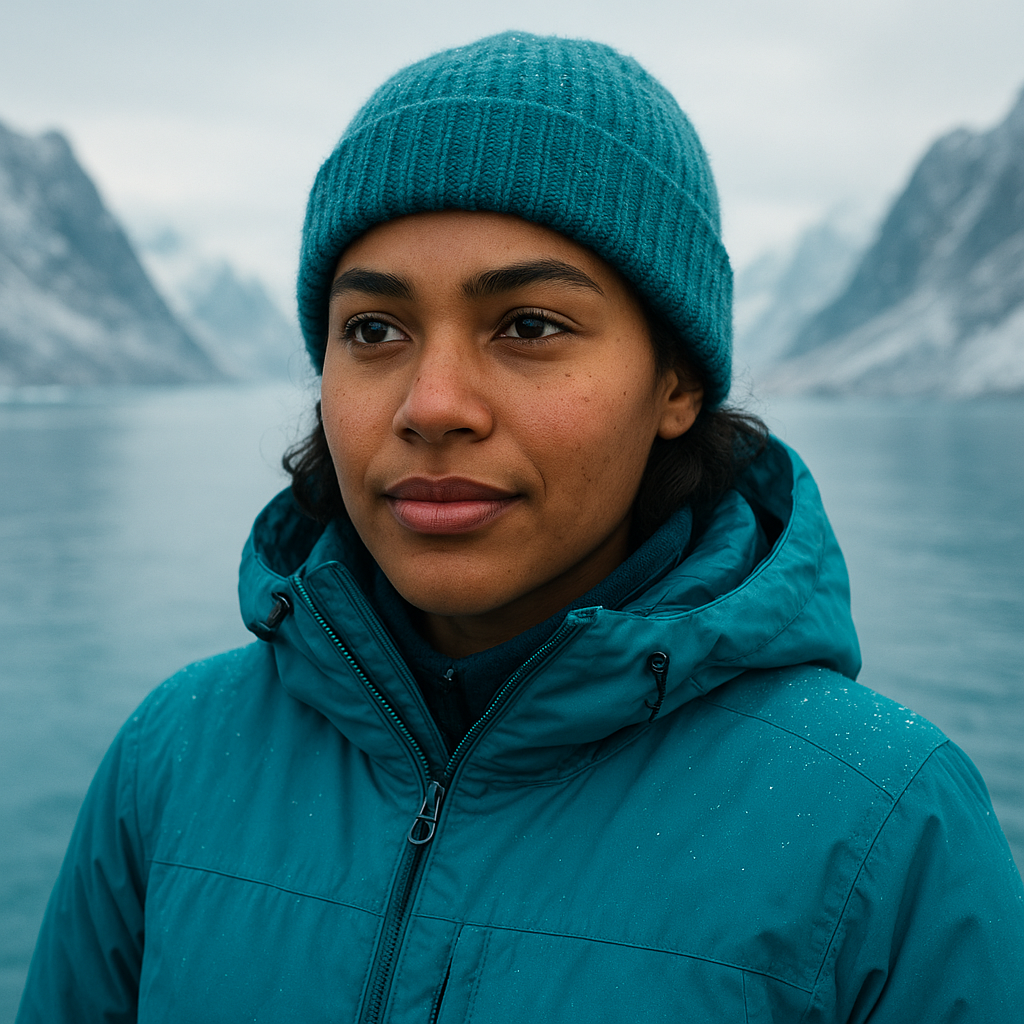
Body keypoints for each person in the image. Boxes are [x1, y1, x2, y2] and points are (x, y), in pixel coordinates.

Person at [18, 31, 1024, 1023]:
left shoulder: (885, 824)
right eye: (373, 330)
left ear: (674, 381)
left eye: (529, 326)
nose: (433, 402)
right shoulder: (172, 760)